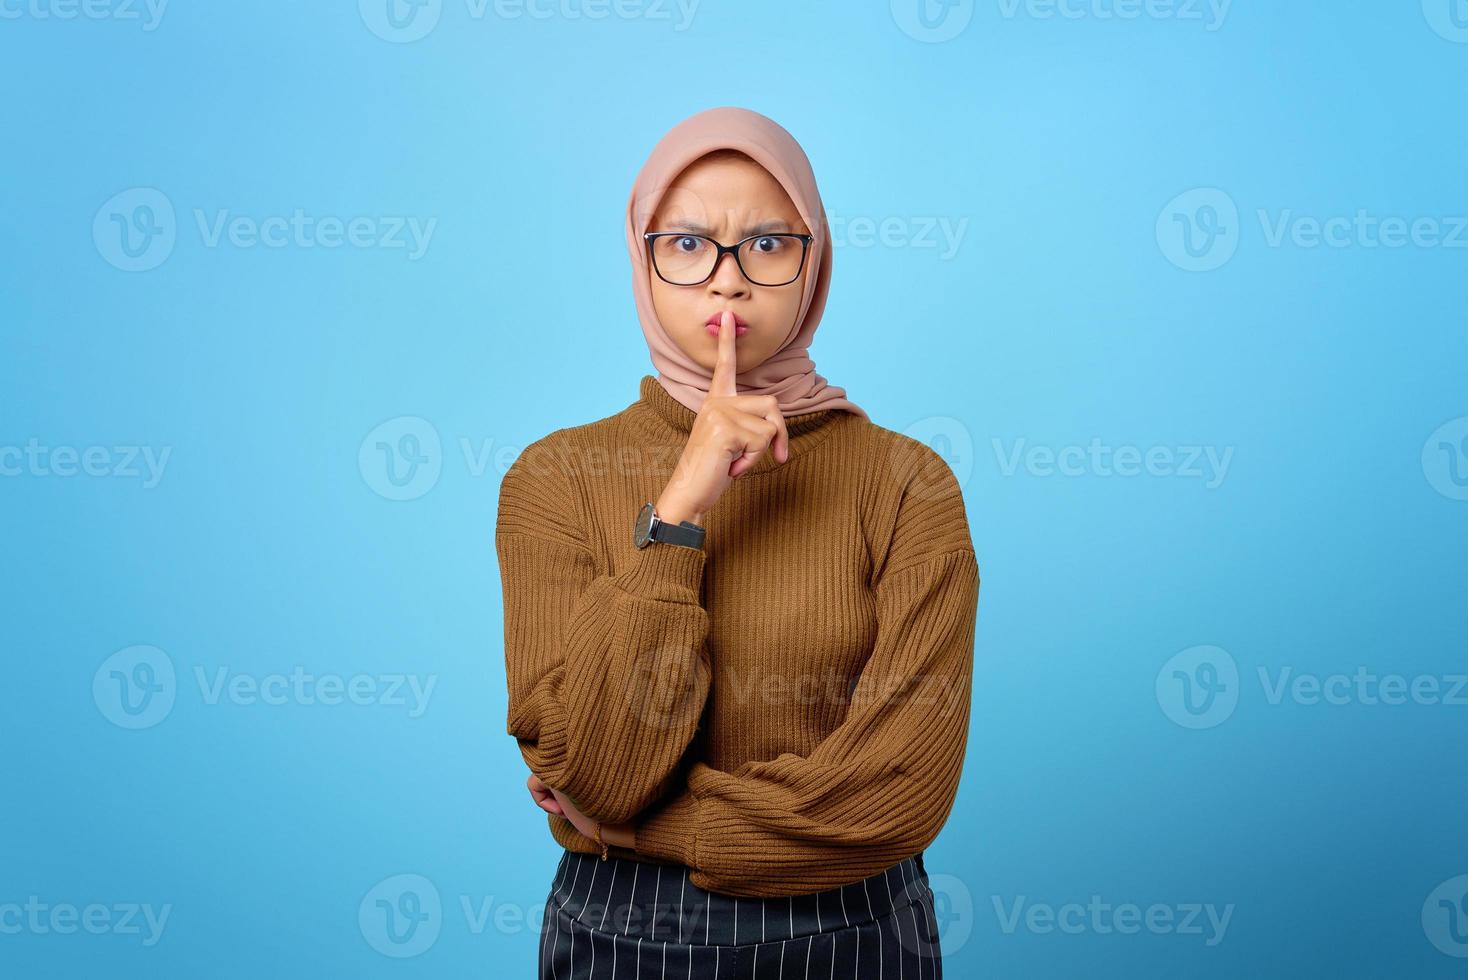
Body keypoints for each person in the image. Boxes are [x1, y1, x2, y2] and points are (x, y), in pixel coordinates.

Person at [496, 105, 980, 978]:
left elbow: (897, 796)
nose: (728, 281)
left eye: (766, 243)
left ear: (815, 259)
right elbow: (596, 773)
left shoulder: (908, 484)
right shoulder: (554, 479)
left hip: (852, 932)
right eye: (686, 244)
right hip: (621, 936)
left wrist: (644, 829)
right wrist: (681, 504)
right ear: (641, 261)